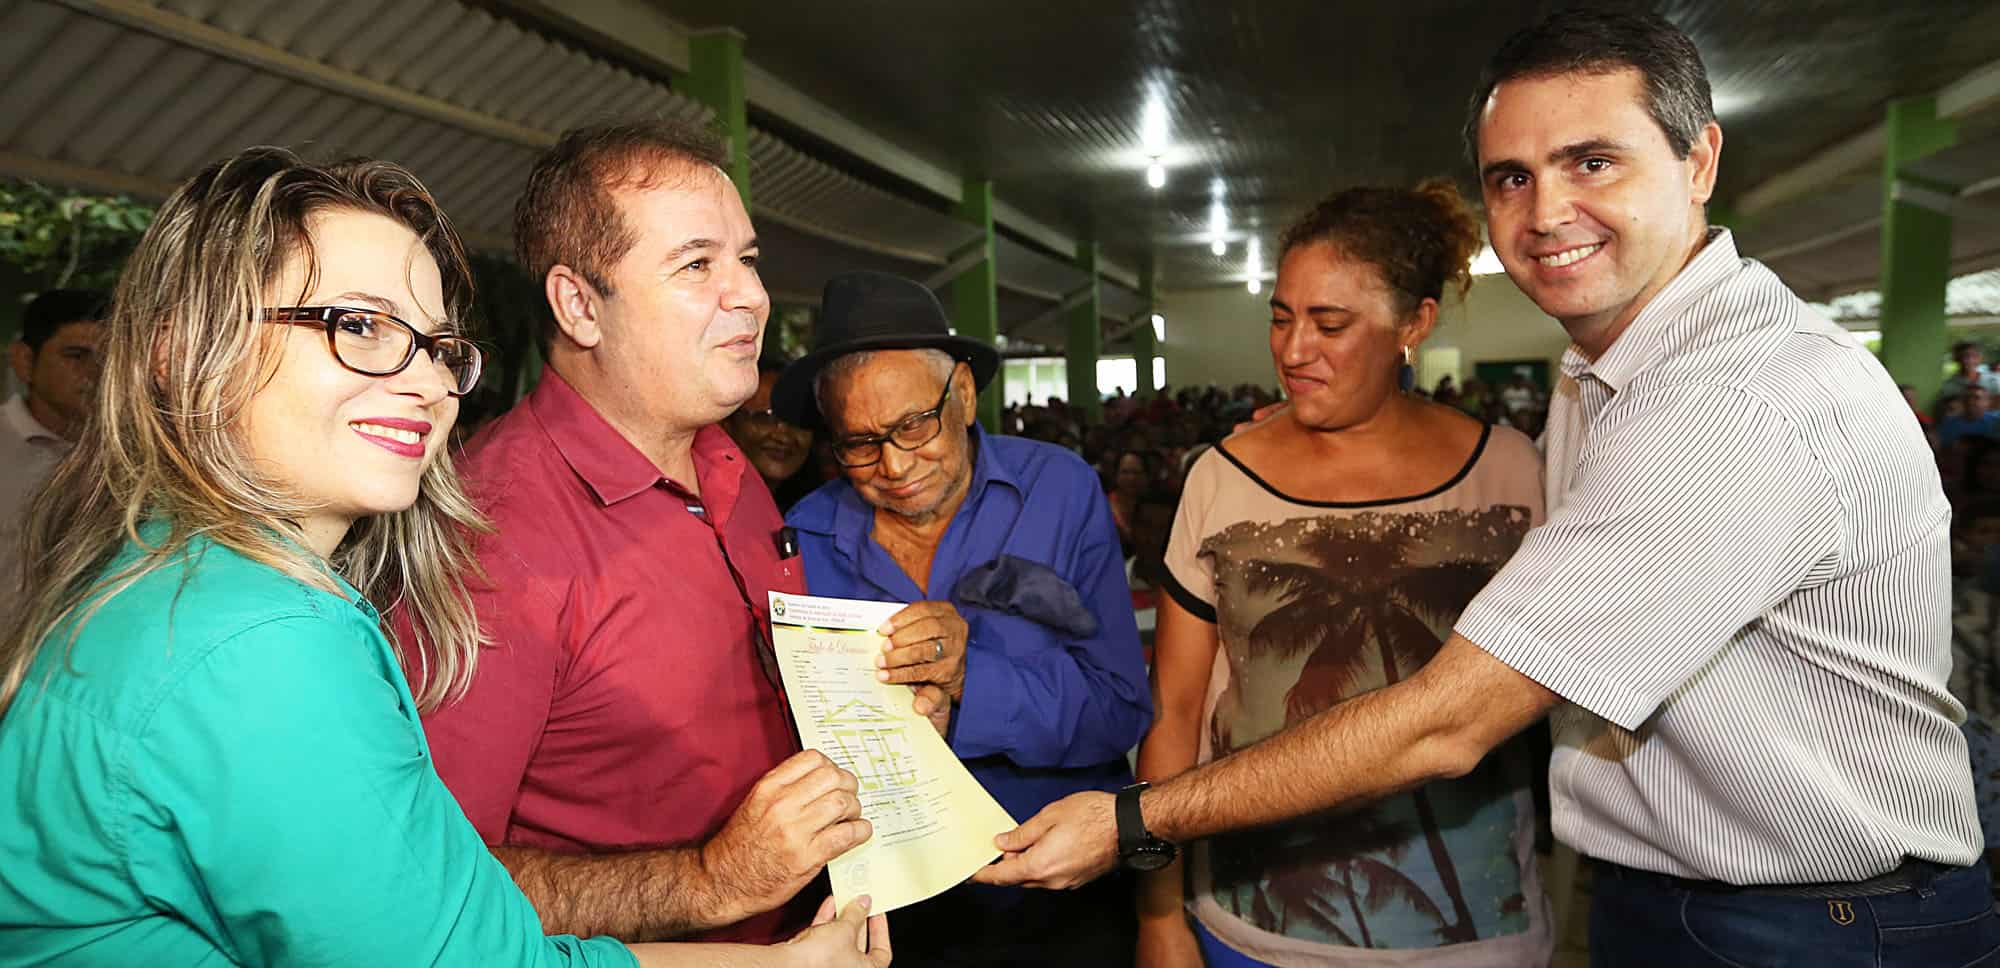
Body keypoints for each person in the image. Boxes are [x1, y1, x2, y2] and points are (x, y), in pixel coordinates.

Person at [977, 10, 1994, 967]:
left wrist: (1131, 821)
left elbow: (1444, 718)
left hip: (1814, 919)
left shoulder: (1728, 400)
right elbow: (1188, 698)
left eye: (1590, 160)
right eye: (1509, 176)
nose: (1545, 210)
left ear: (1697, 161)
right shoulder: (1596, 377)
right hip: (1689, 896)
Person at [0, 147, 888, 967]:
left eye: (435, 345)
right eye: (358, 325)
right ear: (186, 350)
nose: (425, 381)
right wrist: (718, 895)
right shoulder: (255, 638)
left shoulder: (191, 577)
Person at [405, 120, 867, 945]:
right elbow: (431, 880)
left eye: (748, 260)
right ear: (580, 304)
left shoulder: (728, 462)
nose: (753, 297)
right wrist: (709, 880)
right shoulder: (489, 538)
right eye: (697, 265)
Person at [1138, 181, 1549, 968]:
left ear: (1414, 325)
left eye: (1330, 324)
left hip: (1471, 925)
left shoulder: (1510, 474)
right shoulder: (1221, 478)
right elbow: (1177, 712)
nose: (1294, 351)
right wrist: (1160, 917)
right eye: (1282, 318)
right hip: (1251, 922)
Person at [772, 271, 1152, 967]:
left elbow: (1121, 709)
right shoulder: (806, 535)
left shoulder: (1059, 491)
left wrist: (972, 677)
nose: (893, 464)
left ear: (966, 395)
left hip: (1060, 890)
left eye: (914, 424)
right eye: (858, 442)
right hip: (894, 912)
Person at [2, 288, 105, 619]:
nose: (94, 373)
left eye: (106, 357)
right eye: (76, 356)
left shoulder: (127, 455)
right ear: (25, 361)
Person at [725, 353, 822, 512]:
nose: (782, 436)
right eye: (764, 418)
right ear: (727, 423)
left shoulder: (817, 514)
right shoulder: (704, 509)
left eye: (797, 420)